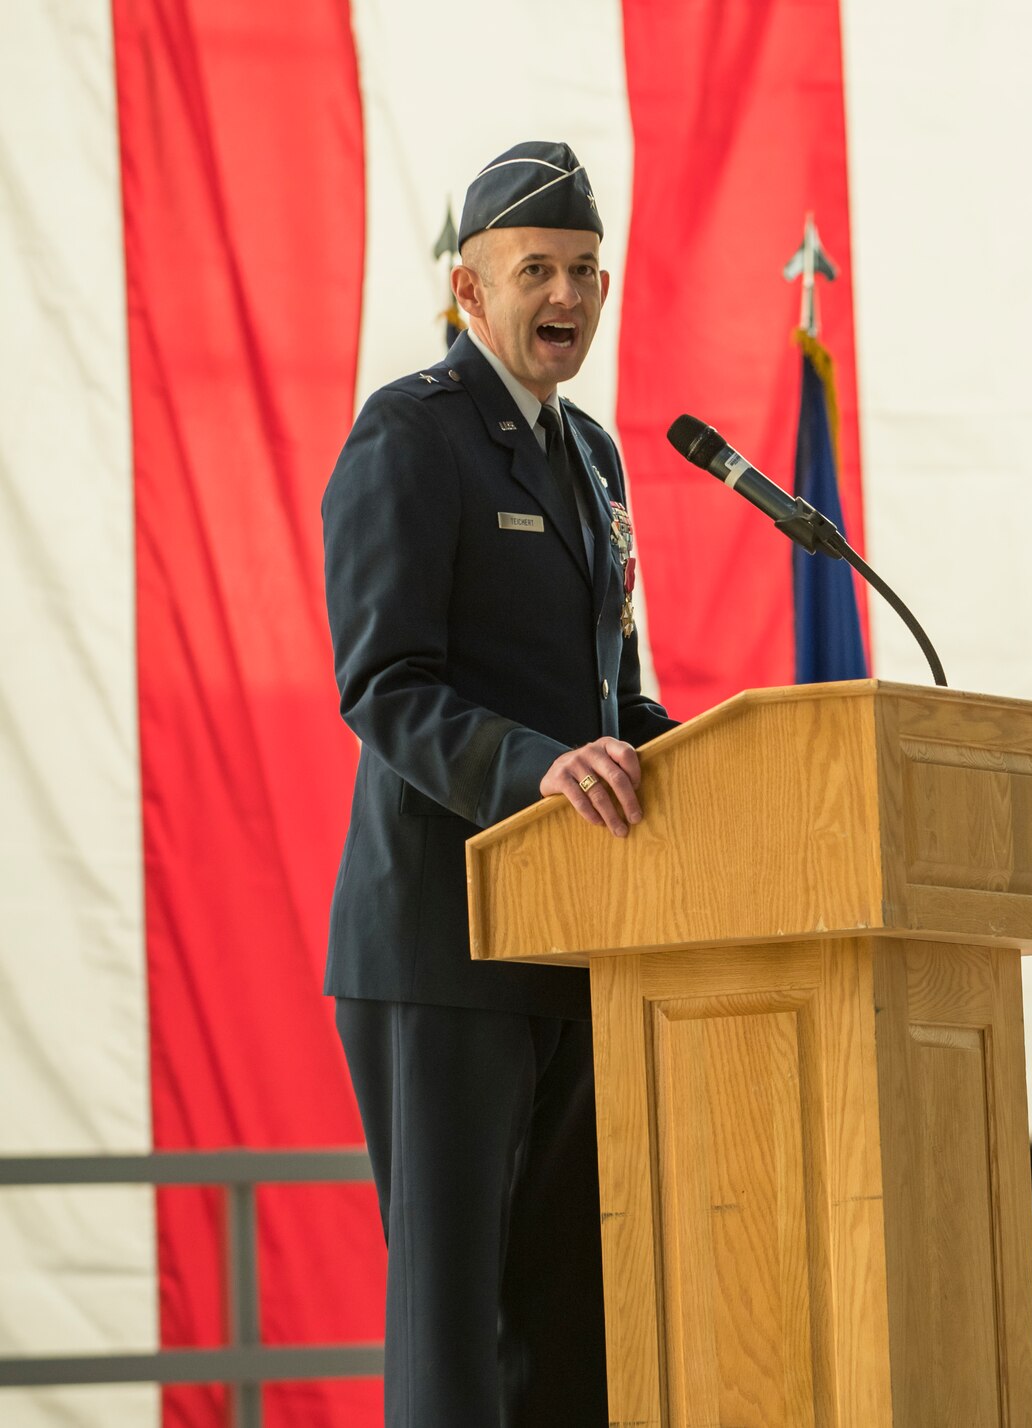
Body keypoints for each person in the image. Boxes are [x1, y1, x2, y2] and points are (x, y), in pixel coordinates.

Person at [320, 140, 675, 1426]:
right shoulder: (410, 433)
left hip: (573, 939)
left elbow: (605, 694)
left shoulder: (592, 455)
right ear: (468, 289)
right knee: (456, 1320)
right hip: (440, 942)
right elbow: (386, 682)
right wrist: (543, 769)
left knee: (563, 1309)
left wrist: (704, 753)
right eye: (538, 270)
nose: (569, 296)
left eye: (586, 269)